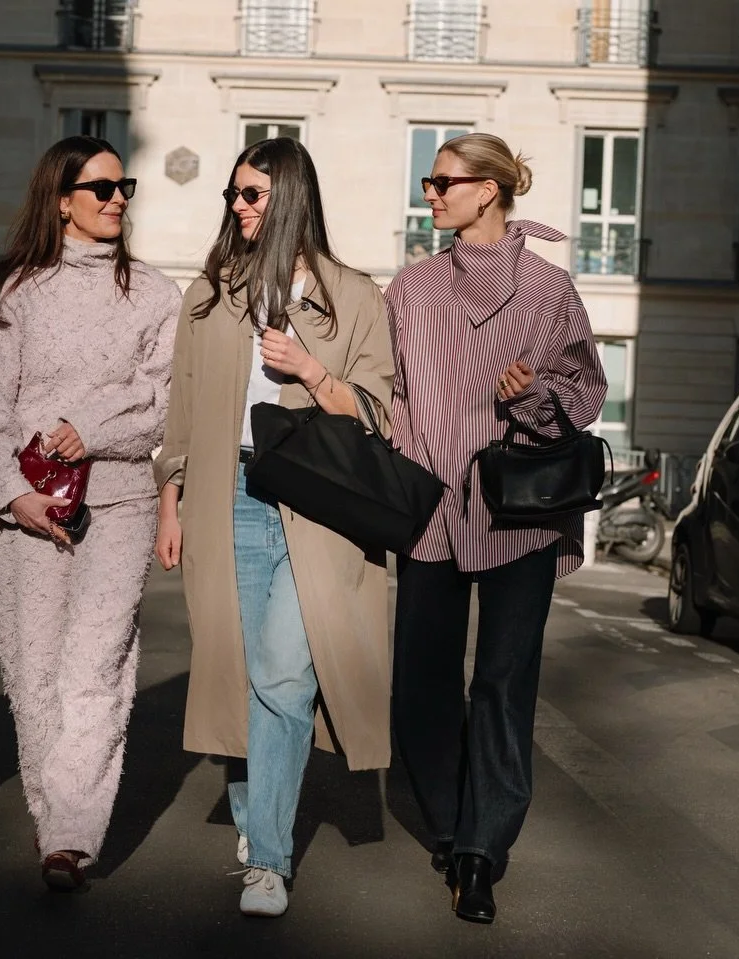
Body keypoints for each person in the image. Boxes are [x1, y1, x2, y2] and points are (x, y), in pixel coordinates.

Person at [153, 137, 396, 918]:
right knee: (242, 670)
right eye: (232, 193)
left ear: (290, 195)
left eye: (251, 193)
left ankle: (267, 858)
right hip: (228, 494)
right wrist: (171, 499)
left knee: (286, 674)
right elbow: (184, 405)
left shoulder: (353, 295)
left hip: (318, 507)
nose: (237, 205)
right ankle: (257, 811)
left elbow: (379, 414)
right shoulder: (211, 293)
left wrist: (311, 370)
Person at [385, 132, 608, 924]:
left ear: (487, 189)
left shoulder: (549, 289)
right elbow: (393, 397)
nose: (431, 191)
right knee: (421, 682)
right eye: (429, 180)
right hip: (431, 510)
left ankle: (481, 850)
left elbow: (586, 389)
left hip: (520, 512)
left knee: (505, 684)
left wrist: (535, 393)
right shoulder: (410, 289)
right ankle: (450, 824)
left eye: (443, 180)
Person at [0, 136, 180, 891]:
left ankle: (71, 836)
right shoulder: (9, 292)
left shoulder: (155, 295)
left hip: (120, 502)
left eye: (124, 187)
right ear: (60, 200)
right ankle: (53, 813)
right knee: (34, 670)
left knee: (97, 665)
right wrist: (11, 495)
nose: (117, 199)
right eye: (101, 188)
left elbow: (162, 402)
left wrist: (92, 428)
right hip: (26, 508)